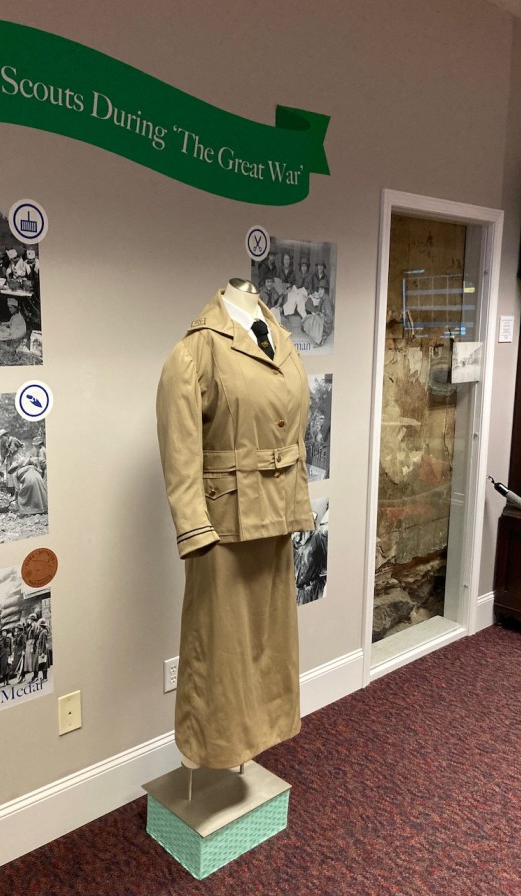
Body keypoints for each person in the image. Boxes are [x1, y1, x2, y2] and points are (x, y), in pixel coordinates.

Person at [156, 278, 313, 769]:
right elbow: (180, 453)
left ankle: (257, 739)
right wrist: (194, 530)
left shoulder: (280, 338)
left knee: (270, 646)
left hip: (276, 517)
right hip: (224, 526)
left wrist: (296, 497)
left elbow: (294, 428)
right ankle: (211, 750)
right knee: (219, 650)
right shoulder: (196, 350)